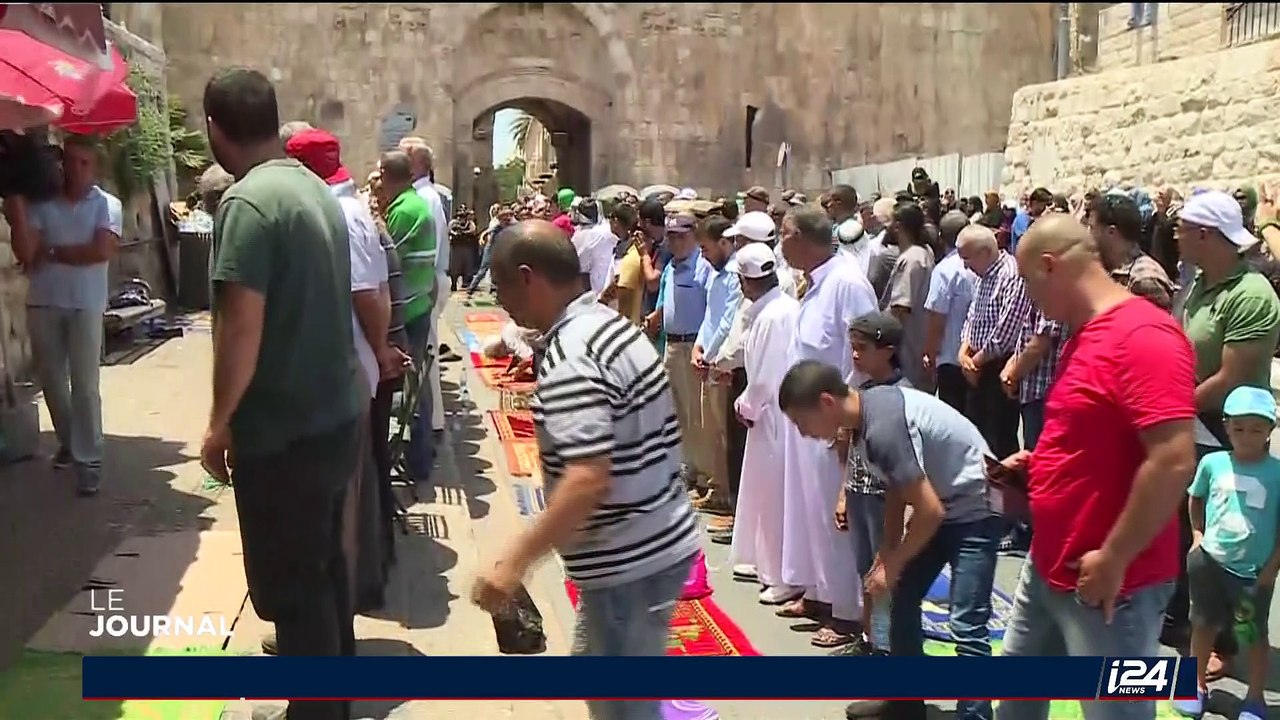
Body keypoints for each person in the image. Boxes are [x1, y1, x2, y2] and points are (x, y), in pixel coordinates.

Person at [472, 220, 698, 720]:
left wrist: (515, 561)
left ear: (527, 277)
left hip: (628, 561)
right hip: (648, 545)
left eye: (500, 284)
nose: (498, 298)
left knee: (621, 705)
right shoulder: (609, 326)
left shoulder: (573, 355)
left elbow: (587, 478)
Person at [200, 68, 364, 720]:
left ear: (216, 127)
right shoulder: (311, 188)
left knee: (291, 588)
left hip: (286, 431)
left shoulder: (247, 204)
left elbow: (240, 327)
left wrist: (218, 424)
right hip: (333, 416)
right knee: (323, 573)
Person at [995, 214, 1196, 720]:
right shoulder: (1083, 336)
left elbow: (1173, 459)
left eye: (1028, 286)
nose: (1030, 303)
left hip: (1114, 584)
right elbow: (1093, 434)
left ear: (1049, 265)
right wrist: (1040, 465)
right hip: (1050, 564)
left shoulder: (1145, 337)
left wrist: (1114, 556)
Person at [779, 360, 1001, 720]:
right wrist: (887, 554)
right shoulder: (865, 415)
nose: (804, 433)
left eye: (801, 423)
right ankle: (904, 703)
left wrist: (894, 563)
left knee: (966, 620)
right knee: (900, 596)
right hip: (943, 500)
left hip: (976, 506)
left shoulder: (880, 426)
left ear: (825, 402)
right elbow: (899, 484)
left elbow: (929, 512)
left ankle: (975, 715)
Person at [776, 207, 878, 648]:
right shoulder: (816, 282)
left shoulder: (848, 284)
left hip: (834, 421)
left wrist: (844, 427)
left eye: (784, 235)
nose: (779, 244)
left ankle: (848, 613)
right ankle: (819, 593)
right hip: (809, 417)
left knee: (840, 518)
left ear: (802, 238)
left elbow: (864, 358)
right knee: (814, 510)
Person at [9, 134, 119, 496]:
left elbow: (100, 250)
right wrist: (18, 205)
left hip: (85, 304)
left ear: (95, 167)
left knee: (85, 386)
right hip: (44, 303)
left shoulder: (107, 205)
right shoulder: (43, 205)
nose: (75, 170)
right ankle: (72, 443)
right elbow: (27, 253)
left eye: (83, 163)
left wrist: (52, 251)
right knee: (53, 384)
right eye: (69, 162)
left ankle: (89, 461)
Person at [1172, 386, 1280, 720]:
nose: (1247, 437)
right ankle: (1196, 684)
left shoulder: (1277, 473)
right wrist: (1197, 535)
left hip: (1251, 573)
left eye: (1257, 429)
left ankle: (1255, 697)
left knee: (1251, 635)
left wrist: (1271, 568)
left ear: (1270, 431)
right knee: (1202, 626)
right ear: (1227, 426)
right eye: (1239, 428)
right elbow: (1196, 497)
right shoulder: (1213, 462)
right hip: (1209, 564)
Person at [835, 312, 912, 660]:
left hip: (887, 500)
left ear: (888, 351)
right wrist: (842, 494)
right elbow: (850, 447)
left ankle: (886, 647)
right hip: (858, 492)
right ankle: (868, 640)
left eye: (862, 348)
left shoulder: (904, 396)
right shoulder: (860, 391)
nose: (855, 355)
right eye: (852, 347)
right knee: (865, 572)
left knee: (884, 576)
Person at [729, 241, 802, 604]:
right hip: (773, 415)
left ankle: (781, 574)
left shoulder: (774, 316)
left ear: (747, 280)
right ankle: (763, 561)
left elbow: (767, 377)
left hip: (774, 416)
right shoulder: (778, 309)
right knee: (764, 491)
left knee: (775, 495)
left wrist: (747, 404)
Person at [378, 150, 438, 485]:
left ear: (387, 174)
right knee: (417, 386)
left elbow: (387, 261)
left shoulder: (404, 210)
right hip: (420, 305)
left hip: (409, 310)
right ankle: (421, 455)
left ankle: (416, 459)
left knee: (410, 389)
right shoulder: (417, 205)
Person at [644, 213, 711, 495]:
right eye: (671, 236)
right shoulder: (671, 266)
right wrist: (655, 318)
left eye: (682, 236)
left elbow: (712, 308)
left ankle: (704, 473)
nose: (676, 241)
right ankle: (685, 467)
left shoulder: (703, 267)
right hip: (671, 345)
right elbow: (663, 301)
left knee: (698, 414)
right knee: (675, 412)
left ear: (694, 236)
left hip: (693, 346)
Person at [957, 224, 1034, 460]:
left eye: (968, 258)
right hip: (977, 365)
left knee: (998, 441)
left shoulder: (1011, 275)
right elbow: (973, 317)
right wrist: (963, 354)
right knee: (975, 436)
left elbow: (1007, 330)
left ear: (984, 252)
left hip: (997, 366)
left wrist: (975, 362)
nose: (965, 265)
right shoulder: (983, 277)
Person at [692, 215, 743, 515]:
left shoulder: (736, 275)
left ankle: (726, 495)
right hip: (708, 360)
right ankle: (716, 487)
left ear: (724, 243)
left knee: (723, 432)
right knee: (709, 429)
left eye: (706, 248)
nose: (704, 255)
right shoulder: (717, 273)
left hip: (720, 364)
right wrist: (699, 347)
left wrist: (709, 357)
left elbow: (727, 323)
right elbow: (710, 318)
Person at [923, 211, 977, 412]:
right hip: (978, 359)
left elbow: (937, 316)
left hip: (951, 360)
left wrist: (929, 351)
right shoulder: (983, 263)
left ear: (941, 237)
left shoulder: (945, 270)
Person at [880, 202, 936, 390]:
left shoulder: (912, 259)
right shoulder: (923, 251)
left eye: (889, 222)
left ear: (898, 227)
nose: (885, 227)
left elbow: (900, 309)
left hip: (909, 352)